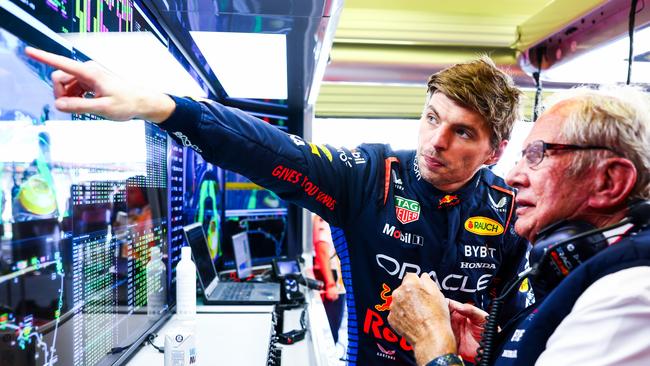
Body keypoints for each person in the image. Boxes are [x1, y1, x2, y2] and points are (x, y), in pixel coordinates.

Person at [25, 47, 531, 365]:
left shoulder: (512, 211)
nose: (435, 141)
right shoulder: (371, 178)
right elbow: (270, 149)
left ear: (495, 150)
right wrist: (162, 107)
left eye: (461, 131)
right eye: (430, 117)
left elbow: (515, 333)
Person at [387, 85, 650, 366]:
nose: (513, 177)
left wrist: (433, 343)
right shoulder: (595, 275)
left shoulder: (630, 295)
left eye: (537, 155)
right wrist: (501, 346)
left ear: (611, 181)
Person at [312, 214, 346, 344]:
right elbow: (322, 250)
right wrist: (330, 284)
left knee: (335, 325)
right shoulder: (324, 216)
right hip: (331, 283)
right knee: (331, 328)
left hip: (337, 282)